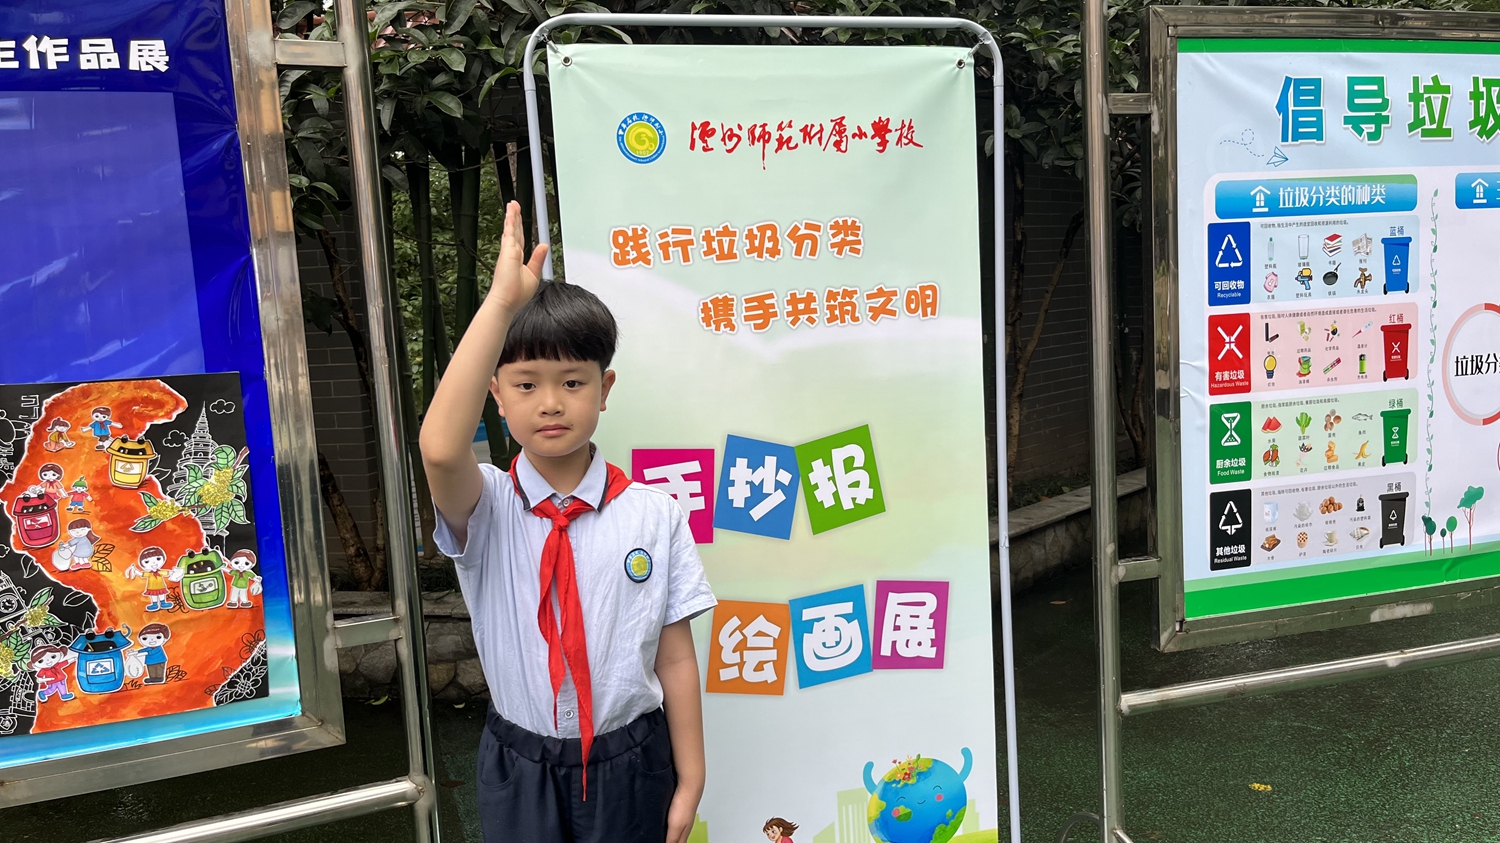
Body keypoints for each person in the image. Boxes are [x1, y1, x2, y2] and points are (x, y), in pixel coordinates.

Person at [419, 202, 716, 843]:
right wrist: (501, 304)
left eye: (573, 382)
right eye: (526, 384)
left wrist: (690, 778)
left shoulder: (654, 513)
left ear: (604, 389)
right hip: (520, 762)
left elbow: (674, 655)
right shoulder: (487, 506)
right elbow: (440, 449)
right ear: (496, 395)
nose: (551, 403)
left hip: (631, 760)